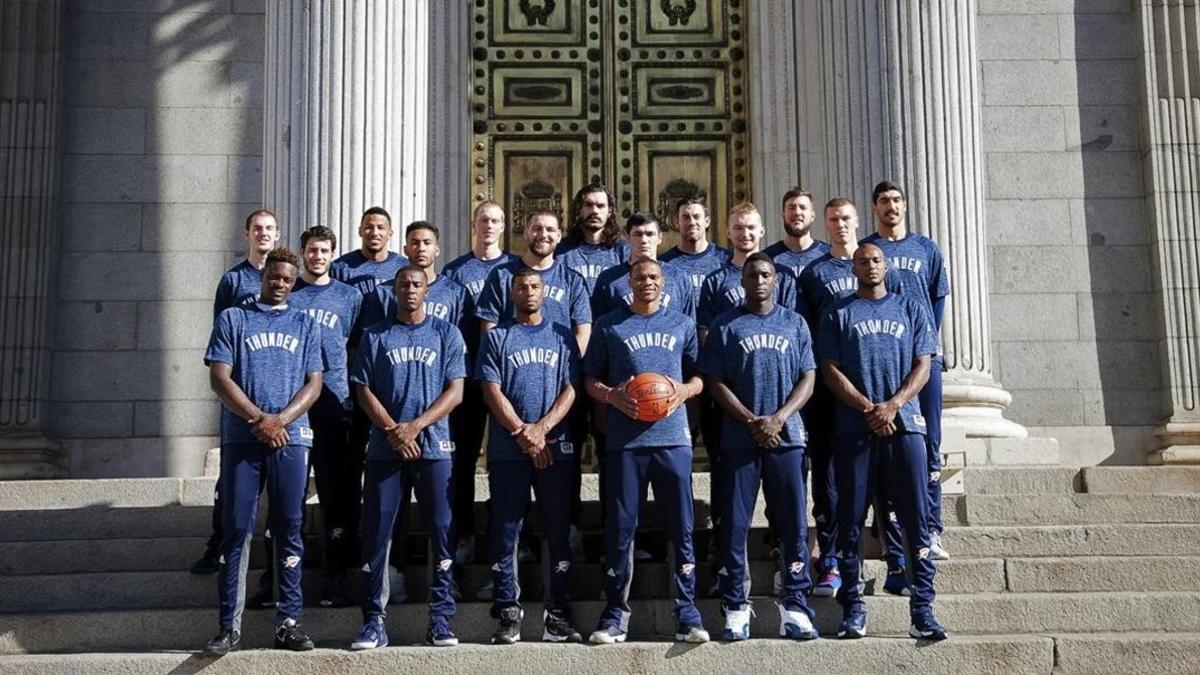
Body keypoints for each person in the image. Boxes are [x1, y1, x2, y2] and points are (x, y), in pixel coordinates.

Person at [816, 244, 947, 641]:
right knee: (850, 521)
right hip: (855, 431)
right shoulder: (838, 311)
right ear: (852, 268)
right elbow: (829, 369)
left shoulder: (910, 308)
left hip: (906, 427)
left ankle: (922, 609)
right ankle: (853, 609)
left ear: (885, 266)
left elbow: (923, 363)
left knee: (915, 521)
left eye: (876, 260)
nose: (870, 266)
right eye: (862, 261)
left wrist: (893, 405)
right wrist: (867, 407)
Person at [201, 247, 323, 655]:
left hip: (292, 439)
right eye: (275, 275)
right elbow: (220, 379)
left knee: (289, 527)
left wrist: (282, 421)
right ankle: (227, 627)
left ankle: (289, 622)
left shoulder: (305, 324)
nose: (280, 282)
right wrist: (260, 419)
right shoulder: (234, 319)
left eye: (288, 278)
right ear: (263, 274)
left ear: (294, 281)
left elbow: (314, 384)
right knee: (237, 527)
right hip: (244, 438)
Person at [583, 257, 708, 645]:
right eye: (640, 277)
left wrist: (684, 391)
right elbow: (590, 380)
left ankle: (687, 612)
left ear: (663, 282)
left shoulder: (682, 323)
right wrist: (611, 397)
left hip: (673, 439)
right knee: (621, 529)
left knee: (682, 528)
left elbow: (700, 377)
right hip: (625, 442)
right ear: (629, 283)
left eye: (653, 277)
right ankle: (615, 612)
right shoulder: (608, 326)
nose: (647, 282)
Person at [700, 253, 819, 641]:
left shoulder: (794, 322)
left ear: (777, 281)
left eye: (767, 274)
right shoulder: (725, 324)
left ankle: (796, 605)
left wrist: (779, 418)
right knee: (735, 526)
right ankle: (736, 605)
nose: (760, 280)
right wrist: (750, 419)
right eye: (752, 275)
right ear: (743, 281)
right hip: (739, 438)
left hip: (787, 437)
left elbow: (809, 376)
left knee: (792, 524)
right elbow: (714, 380)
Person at [349, 266, 467, 650]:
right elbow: (363, 388)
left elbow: (456, 392)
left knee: (441, 531)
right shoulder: (374, 335)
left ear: (427, 290)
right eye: (404, 284)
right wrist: (393, 430)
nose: (410, 290)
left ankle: (440, 619)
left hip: (434, 448)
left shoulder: (446, 333)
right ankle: (373, 621)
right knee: (378, 534)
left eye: (417, 284)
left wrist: (414, 427)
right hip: (386, 449)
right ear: (394, 290)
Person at [799, 197, 909, 597]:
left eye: (846, 218)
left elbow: (901, 320)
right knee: (833, 479)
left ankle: (898, 559)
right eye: (834, 220)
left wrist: (890, 400)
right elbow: (808, 332)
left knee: (888, 481)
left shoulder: (877, 262)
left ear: (857, 221)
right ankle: (831, 559)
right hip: (835, 392)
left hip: (885, 395)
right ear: (825, 224)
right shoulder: (814, 273)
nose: (840, 225)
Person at [477, 268, 584, 644]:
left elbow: (572, 388)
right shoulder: (497, 337)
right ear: (512, 293)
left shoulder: (562, 336)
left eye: (535, 286)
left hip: (554, 447)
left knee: (558, 530)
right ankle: (508, 611)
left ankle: (557, 613)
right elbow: (491, 389)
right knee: (506, 529)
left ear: (545, 292)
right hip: (510, 450)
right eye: (521, 287)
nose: (528, 291)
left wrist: (542, 431)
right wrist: (524, 432)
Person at [191, 209, 282, 611]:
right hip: (240, 399)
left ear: (277, 234)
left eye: (269, 229)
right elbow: (220, 340)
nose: (263, 234)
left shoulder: (284, 278)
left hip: (279, 401)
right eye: (257, 229)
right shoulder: (233, 280)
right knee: (230, 484)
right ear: (247, 234)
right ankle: (218, 544)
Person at [861, 181, 952, 561]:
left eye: (896, 200)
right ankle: (891, 532)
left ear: (905, 205)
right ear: (874, 208)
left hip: (921, 362)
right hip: (882, 360)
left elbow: (938, 299)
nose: (891, 206)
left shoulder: (926, 248)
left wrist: (926, 345)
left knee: (928, 442)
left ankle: (931, 527)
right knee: (885, 447)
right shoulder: (868, 251)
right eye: (883, 201)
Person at [287, 226, 363, 608]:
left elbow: (354, 346)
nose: (318, 256)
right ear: (302, 252)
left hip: (334, 404)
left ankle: (336, 574)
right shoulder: (289, 294)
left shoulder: (348, 297)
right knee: (291, 496)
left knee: (337, 495)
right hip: (291, 407)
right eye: (312, 250)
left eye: (325, 250)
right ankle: (282, 577)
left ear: (334, 254)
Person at [443, 202, 521, 567]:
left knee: (510, 458)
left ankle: (509, 532)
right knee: (463, 458)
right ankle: (463, 532)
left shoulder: (515, 270)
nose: (488, 225)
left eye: (495, 220)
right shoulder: (455, 272)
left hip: (509, 379)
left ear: (504, 227)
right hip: (468, 379)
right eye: (483, 220)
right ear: (473, 224)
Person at [592, 212, 696, 320]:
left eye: (650, 234)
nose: (644, 240)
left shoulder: (679, 277)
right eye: (638, 234)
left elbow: (689, 325)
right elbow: (599, 328)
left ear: (660, 238)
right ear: (628, 237)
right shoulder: (608, 279)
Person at [660, 198, 730, 305]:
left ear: (707, 221)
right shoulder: (664, 264)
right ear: (676, 222)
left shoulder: (725, 260)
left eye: (696, 217)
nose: (692, 222)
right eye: (686, 217)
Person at [764, 186, 831, 279]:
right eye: (791, 207)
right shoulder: (767, 259)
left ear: (812, 215)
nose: (797, 212)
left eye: (803, 207)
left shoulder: (829, 255)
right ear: (783, 215)